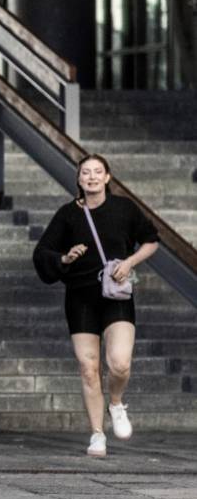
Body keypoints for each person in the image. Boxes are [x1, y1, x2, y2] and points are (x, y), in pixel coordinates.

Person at [33, 154, 159, 458]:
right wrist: (64, 258)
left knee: (119, 362)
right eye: (85, 172)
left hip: (115, 295)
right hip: (80, 296)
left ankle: (116, 402)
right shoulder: (67, 215)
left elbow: (151, 240)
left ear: (107, 177)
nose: (91, 177)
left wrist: (129, 262)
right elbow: (42, 252)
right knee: (89, 368)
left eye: (97, 172)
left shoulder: (124, 209)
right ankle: (97, 434)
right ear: (78, 179)